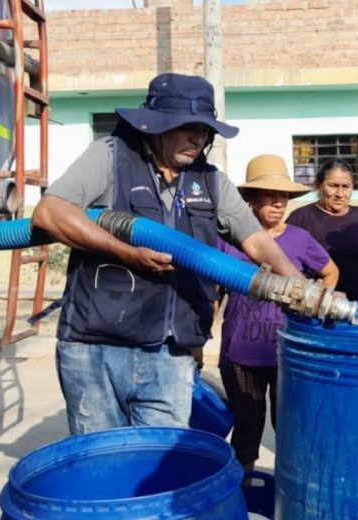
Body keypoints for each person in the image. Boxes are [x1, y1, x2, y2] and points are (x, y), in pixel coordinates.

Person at [31, 73, 302, 435]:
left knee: (161, 468)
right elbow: (49, 214)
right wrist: (127, 252)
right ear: (154, 125)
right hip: (96, 348)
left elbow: (257, 241)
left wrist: (299, 287)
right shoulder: (109, 158)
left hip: (171, 355)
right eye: (187, 127)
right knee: (104, 463)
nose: (198, 138)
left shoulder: (212, 182)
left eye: (205, 130)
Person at [218, 154, 338, 472]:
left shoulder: (299, 239)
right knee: (246, 430)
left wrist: (315, 305)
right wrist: (197, 338)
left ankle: (287, 493)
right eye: (269, 196)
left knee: (289, 426)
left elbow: (330, 271)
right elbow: (212, 291)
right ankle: (243, 495)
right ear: (251, 199)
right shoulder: (229, 240)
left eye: (283, 196)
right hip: (240, 353)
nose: (277, 203)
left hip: (288, 352)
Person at [285, 158, 358, 300]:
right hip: (316, 307)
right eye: (333, 185)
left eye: (346, 187)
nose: (339, 193)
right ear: (318, 186)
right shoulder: (300, 218)